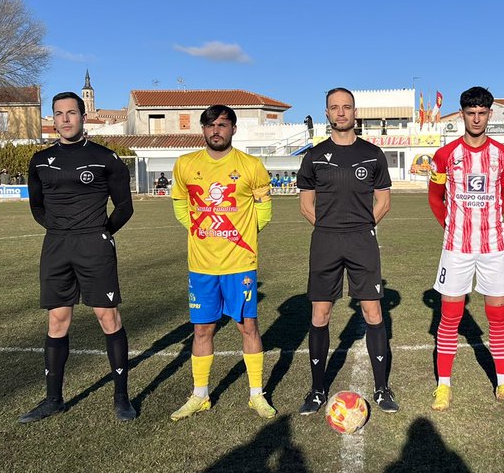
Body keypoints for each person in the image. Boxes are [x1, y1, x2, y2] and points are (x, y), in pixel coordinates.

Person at [21, 91, 136, 423]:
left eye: (72, 112)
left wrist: (101, 232)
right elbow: (37, 207)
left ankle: (121, 397)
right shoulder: (39, 160)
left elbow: (125, 207)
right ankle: (53, 399)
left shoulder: (106, 158)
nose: (66, 119)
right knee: (57, 320)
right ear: (53, 119)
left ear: (83, 117)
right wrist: (61, 231)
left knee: (107, 317)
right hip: (56, 247)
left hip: (94, 246)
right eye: (59, 113)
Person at [169, 104, 275, 421]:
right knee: (202, 330)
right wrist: (202, 231)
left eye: (223, 124)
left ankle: (257, 395)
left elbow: (264, 213)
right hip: (201, 266)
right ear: (202, 130)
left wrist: (233, 234)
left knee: (249, 326)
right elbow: (179, 205)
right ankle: (200, 395)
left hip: (240, 263)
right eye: (210, 125)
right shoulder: (185, 165)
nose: (216, 130)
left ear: (233, 129)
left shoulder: (251, 166)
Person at [296, 88, 398, 415]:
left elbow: (383, 201)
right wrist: (328, 226)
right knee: (320, 315)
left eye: (347, 107)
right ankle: (316, 390)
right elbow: (305, 204)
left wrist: (364, 225)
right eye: (334, 108)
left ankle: (382, 389)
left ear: (355, 112)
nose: (341, 113)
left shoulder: (372, 154)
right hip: (325, 241)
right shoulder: (314, 156)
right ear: (326, 113)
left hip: (362, 241)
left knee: (373, 313)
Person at [427, 86, 504, 411]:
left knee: (498, 315)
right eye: (471, 113)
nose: (476, 118)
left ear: (489, 114)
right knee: (450, 316)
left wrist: (490, 219)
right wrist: (452, 224)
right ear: (462, 115)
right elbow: (434, 196)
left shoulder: (503, 154)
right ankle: (444, 386)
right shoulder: (445, 155)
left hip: (494, 246)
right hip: (456, 247)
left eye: (482, 113)